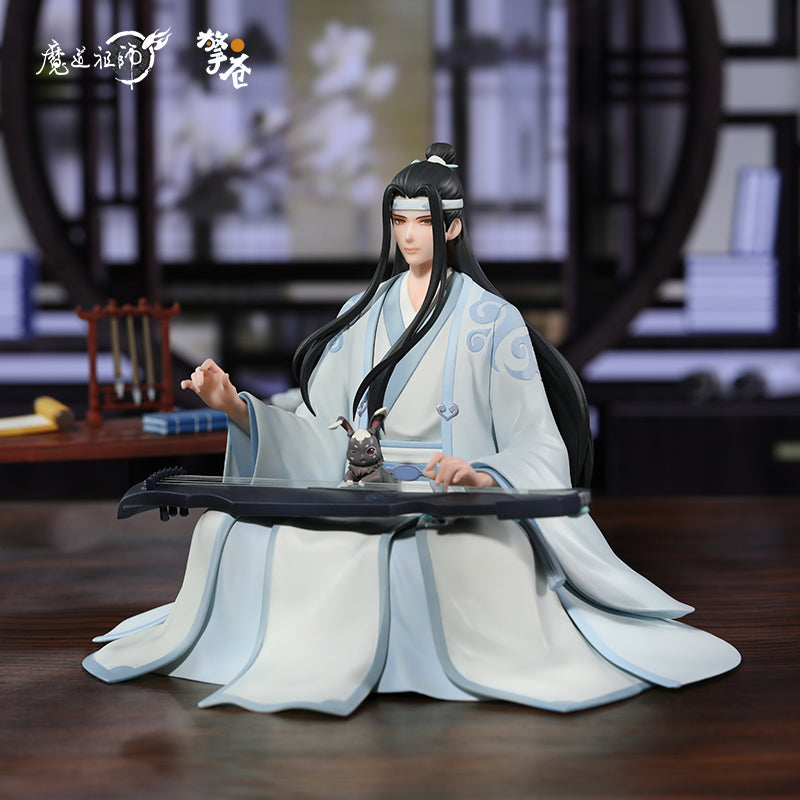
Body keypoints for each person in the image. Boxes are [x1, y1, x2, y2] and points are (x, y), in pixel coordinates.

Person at [83, 143, 740, 715]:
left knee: (404, 556)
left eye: (423, 222)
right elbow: (324, 428)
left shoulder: (492, 322)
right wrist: (239, 410)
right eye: (399, 221)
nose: (408, 235)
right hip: (362, 483)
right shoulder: (361, 313)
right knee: (228, 532)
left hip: (449, 494)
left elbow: (539, 441)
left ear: (452, 228)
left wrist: (482, 473)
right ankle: (280, 656)